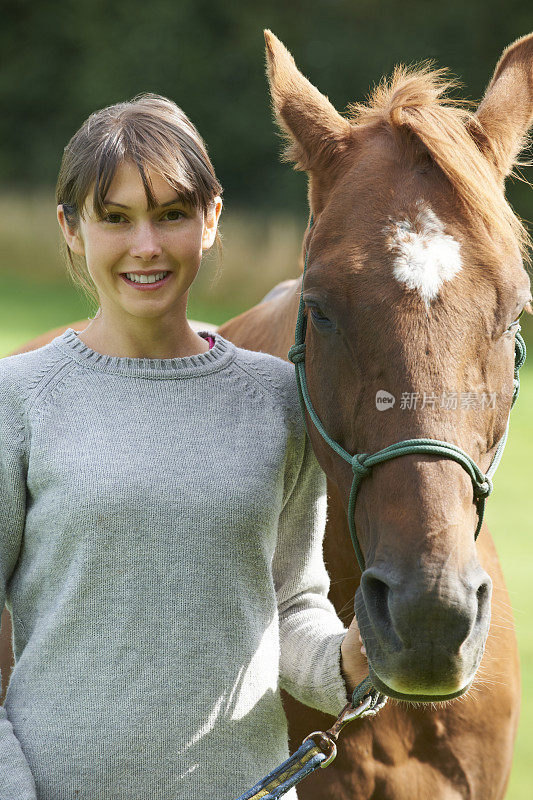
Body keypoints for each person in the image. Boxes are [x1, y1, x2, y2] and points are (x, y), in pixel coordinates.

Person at [0, 93, 366, 799]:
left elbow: (292, 603)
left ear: (211, 219)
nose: (147, 246)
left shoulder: (279, 400)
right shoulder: (19, 398)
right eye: (115, 218)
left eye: (171, 214)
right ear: (71, 228)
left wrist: (351, 661)